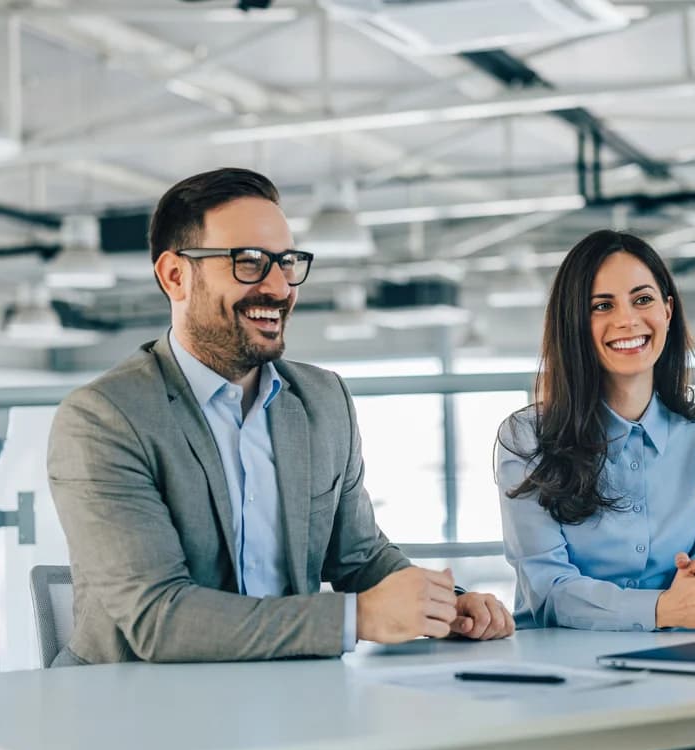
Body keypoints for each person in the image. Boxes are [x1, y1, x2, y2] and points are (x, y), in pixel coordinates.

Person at [47, 167, 515, 665]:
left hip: (290, 696)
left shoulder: (322, 399)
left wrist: (445, 605)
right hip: (136, 711)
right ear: (175, 275)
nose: (279, 287)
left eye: (286, 262)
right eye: (249, 262)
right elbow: (159, 619)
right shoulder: (104, 419)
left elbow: (358, 556)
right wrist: (356, 618)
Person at [495, 229, 695, 750]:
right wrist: (666, 605)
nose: (627, 320)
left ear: (667, 310)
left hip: (682, 680)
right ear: (575, 323)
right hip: (570, 697)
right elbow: (549, 589)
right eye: (602, 305)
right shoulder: (526, 438)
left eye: (642, 299)